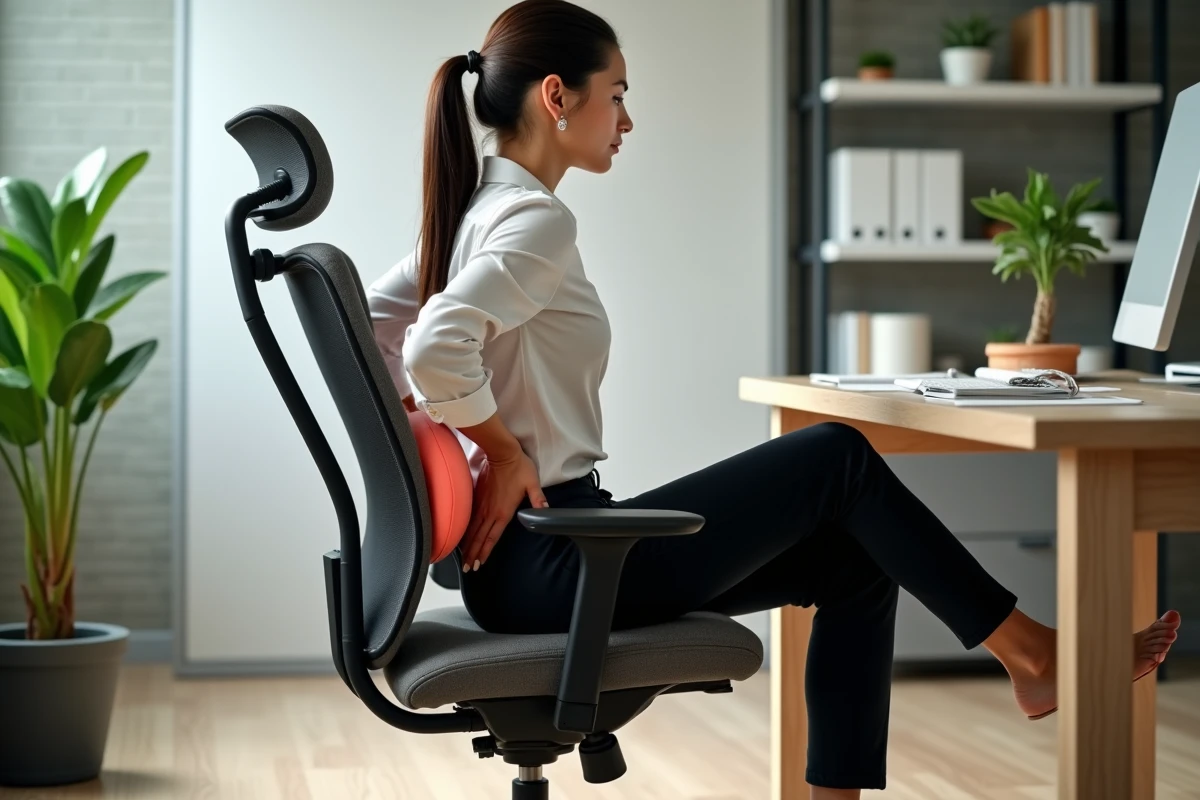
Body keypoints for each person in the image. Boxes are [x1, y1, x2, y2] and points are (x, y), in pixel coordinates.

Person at [365, 1, 1182, 796]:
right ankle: (1033, 654)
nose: (626, 118)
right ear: (556, 96)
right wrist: (496, 451)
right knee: (836, 454)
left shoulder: (475, 211)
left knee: (856, 563)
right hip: (555, 559)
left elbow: (370, 327)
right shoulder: (534, 220)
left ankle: (912, 743)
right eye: (615, 93)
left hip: (533, 559)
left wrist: (444, 438)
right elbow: (438, 345)